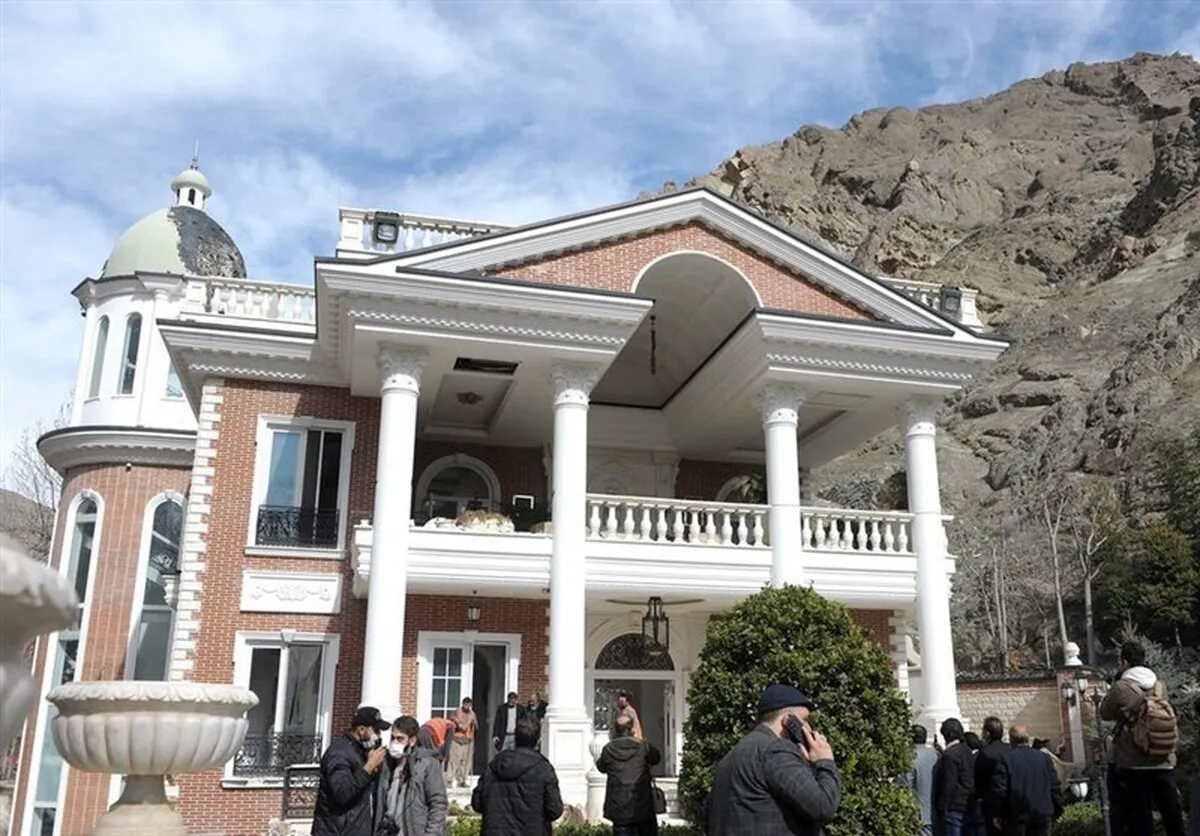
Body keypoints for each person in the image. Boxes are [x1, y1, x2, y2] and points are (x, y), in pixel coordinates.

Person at [707, 684, 841, 835]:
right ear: (787, 720)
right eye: (805, 720)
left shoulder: (728, 759)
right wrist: (825, 760)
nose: (810, 729)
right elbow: (823, 806)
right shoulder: (775, 750)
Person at [1100, 641, 1186, 836]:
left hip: (1133, 762)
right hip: (1163, 758)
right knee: (1171, 814)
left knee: (1140, 817)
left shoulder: (1121, 687)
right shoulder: (1159, 685)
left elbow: (1105, 713)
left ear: (1124, 662)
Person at [472, 714, 564, 835]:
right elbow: (554, 810)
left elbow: (477, 803)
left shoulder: (494, 766)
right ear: (538, 740)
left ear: (515, 738)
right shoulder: (544, 769)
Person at [313, 706, 391, 836]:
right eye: (375, 730)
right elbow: (342, 793)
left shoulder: (361, 751)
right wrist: (368, 767)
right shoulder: (339, 753)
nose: (378, 736)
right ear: (361, 730)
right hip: (337, 831)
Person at [375, 716, 448, 836]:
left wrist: (431, 834)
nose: (394, 743)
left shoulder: (427, 764)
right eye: (392, 738)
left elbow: (438, 803)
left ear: (412, 740)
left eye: (400, 739)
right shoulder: (387, 764)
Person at [596, 712, 662, 836]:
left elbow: (601, 767)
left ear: (615, 730)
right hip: (642, 806)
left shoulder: (608, 749)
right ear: (631, 729)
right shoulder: (643, 747)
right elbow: (656, 758)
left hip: (619, 807)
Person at [990, 725, 1062, 836]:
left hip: (1015, 818)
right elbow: (1054, 787)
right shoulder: (1044, 758)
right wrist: (1058, 810)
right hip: (1041, 816)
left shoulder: (1006, 759)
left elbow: (1000, 790)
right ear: (1028, 739)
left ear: (1011, 740)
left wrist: (997, 813)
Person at [932, 718, 975, 836]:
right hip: (967, 804)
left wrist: (942, 808)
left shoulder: (950, 755)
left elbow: (948, 783)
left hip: (953, 808)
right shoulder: (966, 750)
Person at [898, 724, 940, 836]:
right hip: (936, 812)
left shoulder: (909, 757)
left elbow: (904, 784)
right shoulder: (936, 755)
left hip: (918, 813)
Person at [975, 717, 1009, 836]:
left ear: (987, 733)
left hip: (991, 804)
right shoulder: (1010, 749)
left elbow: (979, 780)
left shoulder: (985, 753)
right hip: (1013, 802)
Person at [448, 698, 477, 788]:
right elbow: (450, 722)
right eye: (466, 704)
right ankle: (449, 780)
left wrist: (473, 723)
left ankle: (463, 780)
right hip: (457, 739)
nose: (467, 706)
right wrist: (457, 723)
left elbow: (476, 727)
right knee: (454, 760)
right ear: (463, 704)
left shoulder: (472, 714)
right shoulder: (456, 712)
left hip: (468, 740)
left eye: (469, 704)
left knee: (465, 762)